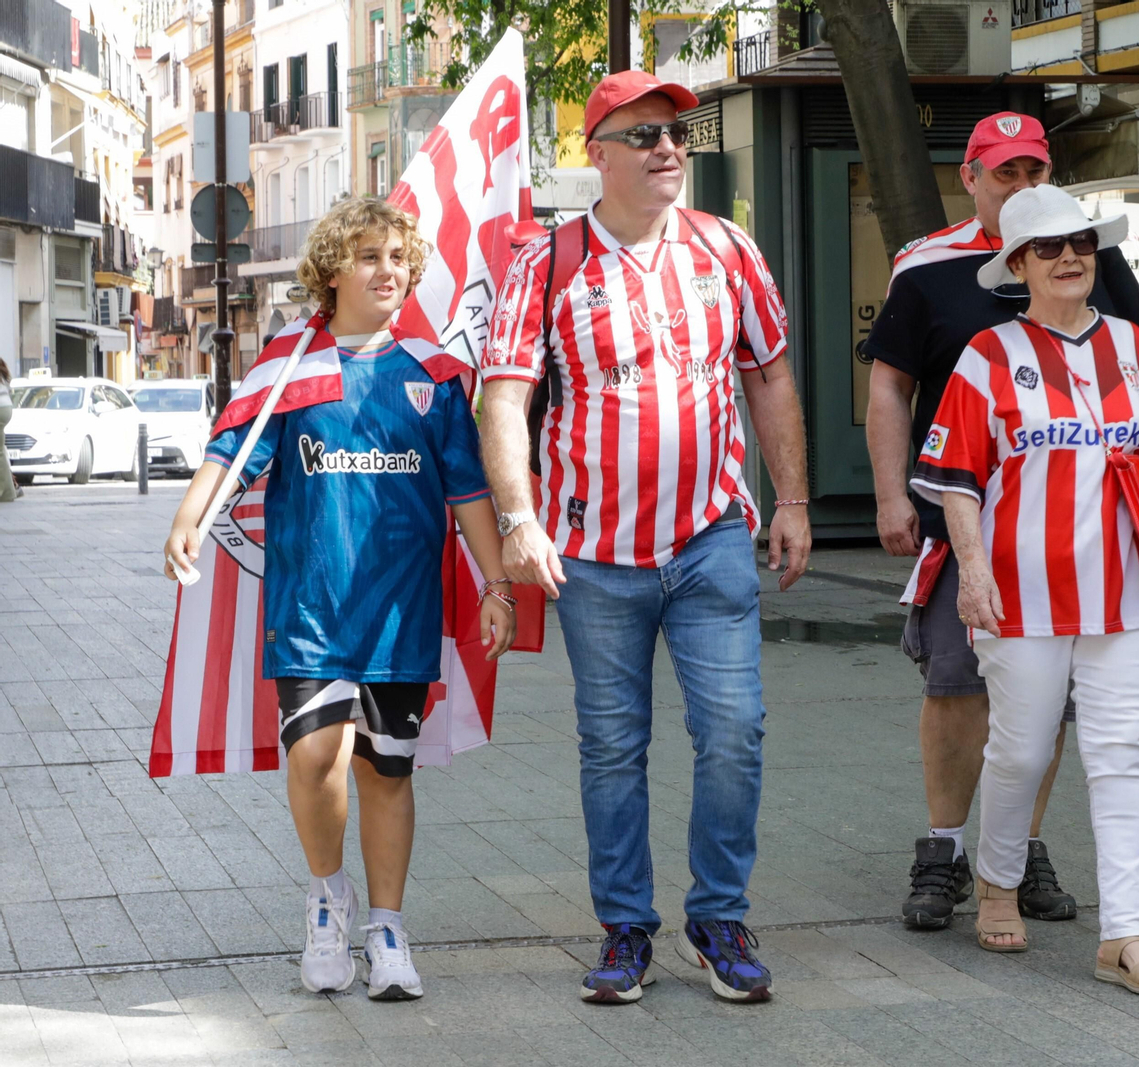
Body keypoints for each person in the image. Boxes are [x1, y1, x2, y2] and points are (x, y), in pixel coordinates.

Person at [478, 70, 810, 1005]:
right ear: (600, 153)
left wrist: (791, 500)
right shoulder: (544, 263)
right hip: (591, 551)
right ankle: (626, 928)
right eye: (645, 134)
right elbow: (501, 397)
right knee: (612, 745)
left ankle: (718, 917)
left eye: (677, 132)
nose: (670, 148)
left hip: (709, 539)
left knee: (735, 731)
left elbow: (772, 375)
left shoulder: (725, 248)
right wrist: (519, 520)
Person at [160, 197, 516, 1000]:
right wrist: (189, 513)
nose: (387, 270)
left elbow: (467, 493)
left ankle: (387, 927)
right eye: (368, 255)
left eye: (397, 256)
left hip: (399, 614)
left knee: (387, 771)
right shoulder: (289, 370)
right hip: (311, 611)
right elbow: (231, 450)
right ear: (331, 271)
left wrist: (497, 585)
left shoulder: (432, 374)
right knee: (317, 755)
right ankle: (328, 896)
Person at [908, 184, 1139, 991]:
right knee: (1017, 750)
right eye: (1048, 247)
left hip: (1125, 592)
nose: (1069, 257)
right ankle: (996, 879)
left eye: (1081, 242)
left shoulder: (1138, 349)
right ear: (1017, 263)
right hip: (1020, 592)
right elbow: (954, 479)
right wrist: (972, 574)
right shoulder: (986, 356)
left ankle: (1127, 934)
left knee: (1121, 754)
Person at [864, 112, 1139, 932]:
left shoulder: (1088, 257)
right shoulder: (925, 265)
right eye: (1005, 172)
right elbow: (891, 386)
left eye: (1034, 169)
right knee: (957, 685)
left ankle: (1021, 847)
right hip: (966, 515)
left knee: (1051, 706)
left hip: (1081, 528)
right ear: (970, 176)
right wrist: (892, 495)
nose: (1022, 184)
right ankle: (943, 848)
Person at [0, 357, 16, 502]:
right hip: (6, 409)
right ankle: (10, 490)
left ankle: (6, 492)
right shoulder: (3, 374)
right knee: (1, 451)